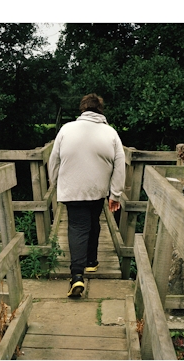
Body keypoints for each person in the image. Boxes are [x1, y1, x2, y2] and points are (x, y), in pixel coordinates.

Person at [47, 93, 126, 298]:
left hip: (72, 188)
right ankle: (90, 262)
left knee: (78, 226)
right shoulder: (110, 133)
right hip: (98, 189)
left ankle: (77, 275)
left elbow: (53, 159)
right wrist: (115, 194)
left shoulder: (66, 129)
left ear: (82, 109)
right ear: (100, 110)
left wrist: (54, 182)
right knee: (93, 221)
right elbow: (120, 164)